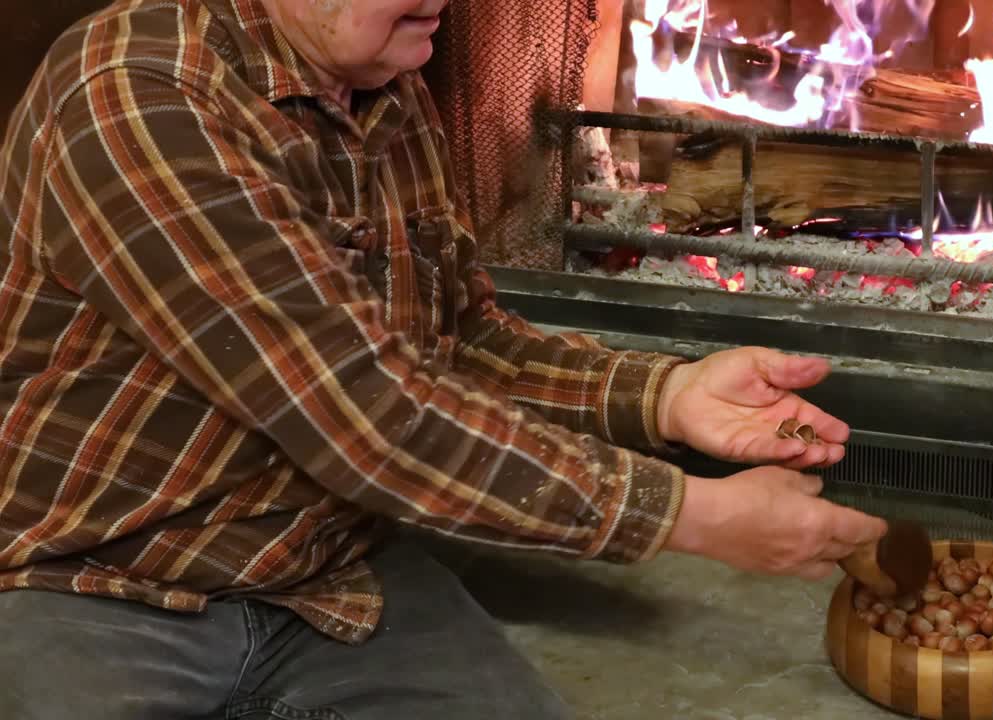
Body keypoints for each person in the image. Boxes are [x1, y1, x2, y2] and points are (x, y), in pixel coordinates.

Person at [0, 0, 888, 717]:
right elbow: (361, 408)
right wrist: (689, 516)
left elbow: (457, 342)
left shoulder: (381, 79)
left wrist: (665, 396)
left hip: (335, 571)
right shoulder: (139, 92)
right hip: (96, 580)